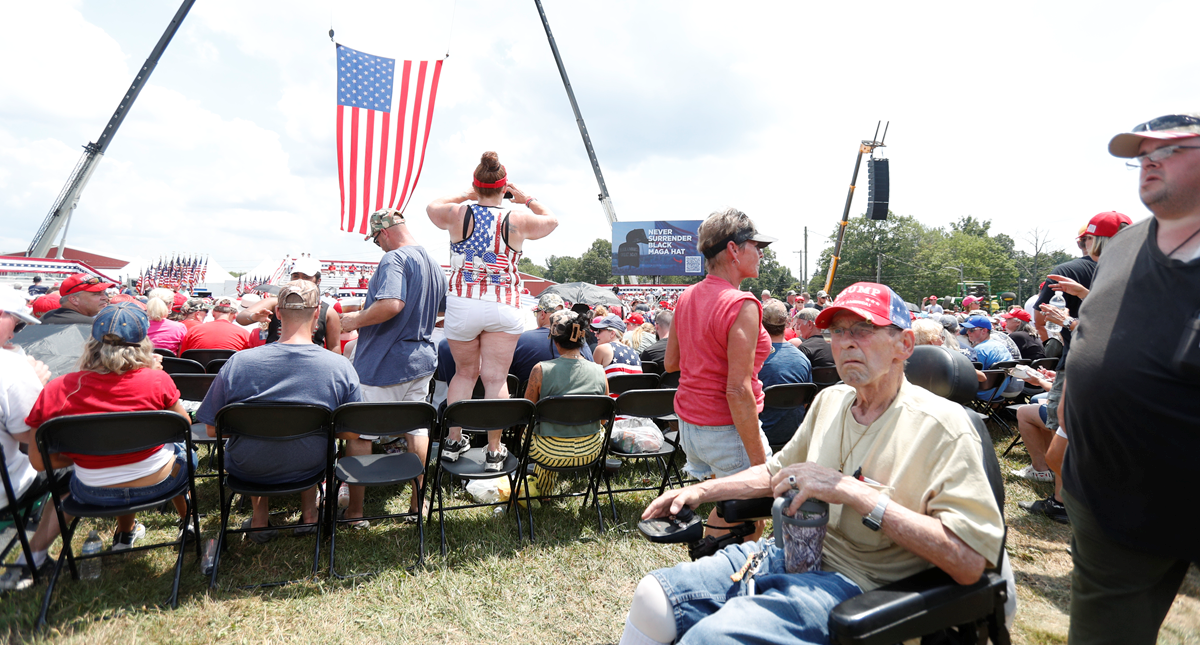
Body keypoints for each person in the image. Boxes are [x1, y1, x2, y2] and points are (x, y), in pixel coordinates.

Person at [620, 282, 1004, 645]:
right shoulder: (831, 400)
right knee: (654, 597)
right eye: (837, 331)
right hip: (787, 554)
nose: (846, 341)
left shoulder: (945, 427)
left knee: (710, 639)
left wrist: (854, 493)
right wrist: (701, 491)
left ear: (904, 344)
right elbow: (775, 472)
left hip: (858, 585)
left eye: (863, 329)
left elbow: (969, 562)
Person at [1053, 115, 1200, 645]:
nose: (1149, 162)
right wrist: (1066, 425)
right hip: (1108, 502)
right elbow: (1095, 336)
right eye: (1142, 155)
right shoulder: (1121, 246)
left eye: (1171, 150)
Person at [197, 281, 362, 540]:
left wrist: (260, 429)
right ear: (317, 313)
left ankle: (259, 520)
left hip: (248, 466)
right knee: (314, 439)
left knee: (259, 443)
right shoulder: (339, 366)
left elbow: (211, 428)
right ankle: (310, 515)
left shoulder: (238, 362)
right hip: (309, 464)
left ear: (278, 313)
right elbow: (352, 433)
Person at [426, 151, 558, 472]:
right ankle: (494, 450)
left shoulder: (458, 213)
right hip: (503, 303)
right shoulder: (518, 218)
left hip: (463, 301)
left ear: (477, 185)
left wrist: (467, 194)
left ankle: (453, 441)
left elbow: (431, 206)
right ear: (504, 188)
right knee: (496, 378)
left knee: (464, 374)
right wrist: (527, 199)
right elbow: (552, 220)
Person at [25, 303, 194, 551]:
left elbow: (40, 463)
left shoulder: (58, 387)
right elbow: (183, 428)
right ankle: (188, 522)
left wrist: (88, 456)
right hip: (158, 483)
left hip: (92, 490)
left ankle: (125, 534)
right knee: (182, 452)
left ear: (92, 342)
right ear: (143, 343)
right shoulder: (157, 380)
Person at [667, 208, 776, 540]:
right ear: (733, 250)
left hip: (692, 425)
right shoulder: (742, 304)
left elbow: (671, 362)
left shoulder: (686, 296)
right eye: (756, 245)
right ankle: (717, 565)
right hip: (727, 428)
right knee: (754, 511)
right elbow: (738, 390)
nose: (761, 254)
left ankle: (707, 556)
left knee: (733, 508)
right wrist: (760, 468)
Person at [340, 209, 446, 520]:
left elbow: (391, 304)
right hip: (421, 358)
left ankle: (356, 512)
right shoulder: (433, 263)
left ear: (384, 232)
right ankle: (417, 504)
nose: (378, 245)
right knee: (416, 428)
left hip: (385, 360)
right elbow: (440, 311)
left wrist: (355, 319)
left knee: (361, 432)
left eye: (376, 240)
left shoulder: (394, 258)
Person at [0, 292, 63, 591]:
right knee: (75, 471)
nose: (15, 334)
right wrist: (37, 385)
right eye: (16, 323)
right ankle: (33, 556)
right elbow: (33, 437)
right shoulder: (11, 368)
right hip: (6, 491)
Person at [522, 310, 609, 497]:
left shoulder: (540, 370)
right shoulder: (600, 371)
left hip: (548, 453)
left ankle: (544, 490)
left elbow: (527, 415)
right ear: (582, 340)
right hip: (590, 450)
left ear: (555, 341)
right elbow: (603, 420)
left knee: (534, 432)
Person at [236, 257, 342, 352]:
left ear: (318, 281)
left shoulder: (328, 312)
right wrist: (253, 317)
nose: (300, 280)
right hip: (275, 361)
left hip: (311, 364)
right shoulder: (275, 302)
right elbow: (241, 317)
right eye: (296, 276)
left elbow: (334, 346)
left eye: (306, 277)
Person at [757, 300, 811, 447]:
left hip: (760, 439)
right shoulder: (803, 360)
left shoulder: (753, 360)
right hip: (794, 438)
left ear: (760, 324)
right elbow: (805, 402)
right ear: (787, 323)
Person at [508, 293, 593, 385]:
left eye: (536, 313)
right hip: (572, 391)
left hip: (528, 392)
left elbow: (509, 375)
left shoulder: (523, 338)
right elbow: (589, 367)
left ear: (542, 314)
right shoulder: (576, 339)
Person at [959, 316, 1012, 400]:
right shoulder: (1000, 345)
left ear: (984, 331)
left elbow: (970, 376)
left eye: (972, 330)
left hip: (982, 392)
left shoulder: (979, 350)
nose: (968, 332)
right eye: (966, 329)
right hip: (998, 390)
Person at [179, 297, 250, 353]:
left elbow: (182, 356)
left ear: (213, 313)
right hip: (230, 367)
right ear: (235, 315)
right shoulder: (244, 334)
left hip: (200, 367)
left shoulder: (193, 331)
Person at [40, 273, 114, 324]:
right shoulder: (91, 325)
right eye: (96, 294)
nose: (105, 297)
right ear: (74, 300)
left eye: (104, 293)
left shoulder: (46, 317)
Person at [145, 288, 187, 354]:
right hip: (169, 360)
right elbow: (180, 355)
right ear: (170, 305)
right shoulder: (179, 328)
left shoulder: (138, 327)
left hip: (144, 360)